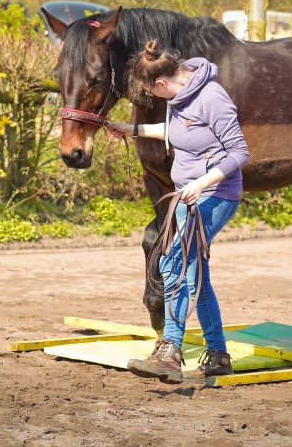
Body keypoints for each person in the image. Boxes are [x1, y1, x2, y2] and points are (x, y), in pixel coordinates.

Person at [107, 40, 249, 384]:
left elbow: (239, 152)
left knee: (174, 263)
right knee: (195, 271)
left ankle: (170, 349)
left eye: (150, 92)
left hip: (216, 195)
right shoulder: (179, 97)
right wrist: (133, 130)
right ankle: (217, 355)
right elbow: (180, 132)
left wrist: (201, 183)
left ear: (162, 83)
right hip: (187, 198)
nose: (152, 98)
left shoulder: (212, 97)